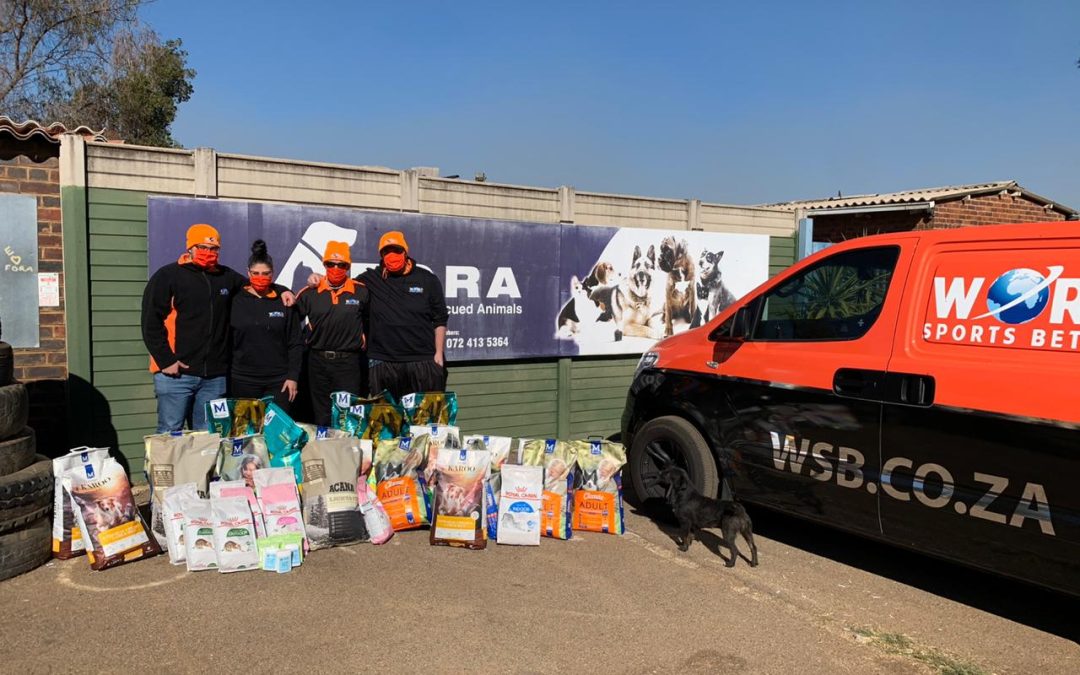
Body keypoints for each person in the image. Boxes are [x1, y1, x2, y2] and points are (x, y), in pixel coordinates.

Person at [358, 231, 448, 400]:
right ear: (381, 255)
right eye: (386, 251)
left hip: (421, 362)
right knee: (388, 423)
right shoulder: (372, 278)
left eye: (396, 250)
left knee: (424, 423)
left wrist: (438, 353)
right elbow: (345, 287)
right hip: (383, 364)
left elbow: (440, 319)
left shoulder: (427, 279)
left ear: (405, 252)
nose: (392, 255)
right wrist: (318, 279)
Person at [294, 241, 369, 425]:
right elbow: (290, 324)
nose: (336, 268)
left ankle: (345, 451)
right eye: (331, 264)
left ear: (348, 266)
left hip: (348, 362)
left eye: (341, 265)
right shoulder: (309, 293)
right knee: (321, 413)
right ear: (324, 264)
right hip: (317, 361)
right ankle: (325, 451)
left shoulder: (361, 291)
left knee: (347, 414)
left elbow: (372, 323)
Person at [229, 240, 303, 412]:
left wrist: (293, 376)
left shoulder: (284, 300)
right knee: (248, 433)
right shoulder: (235, 299)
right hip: (243, 379)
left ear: (273, 273)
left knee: (277, 431)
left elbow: (295, 342)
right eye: (255, 273)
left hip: (279, 381)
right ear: (248, 272)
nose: (260, 278)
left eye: (266, 274)